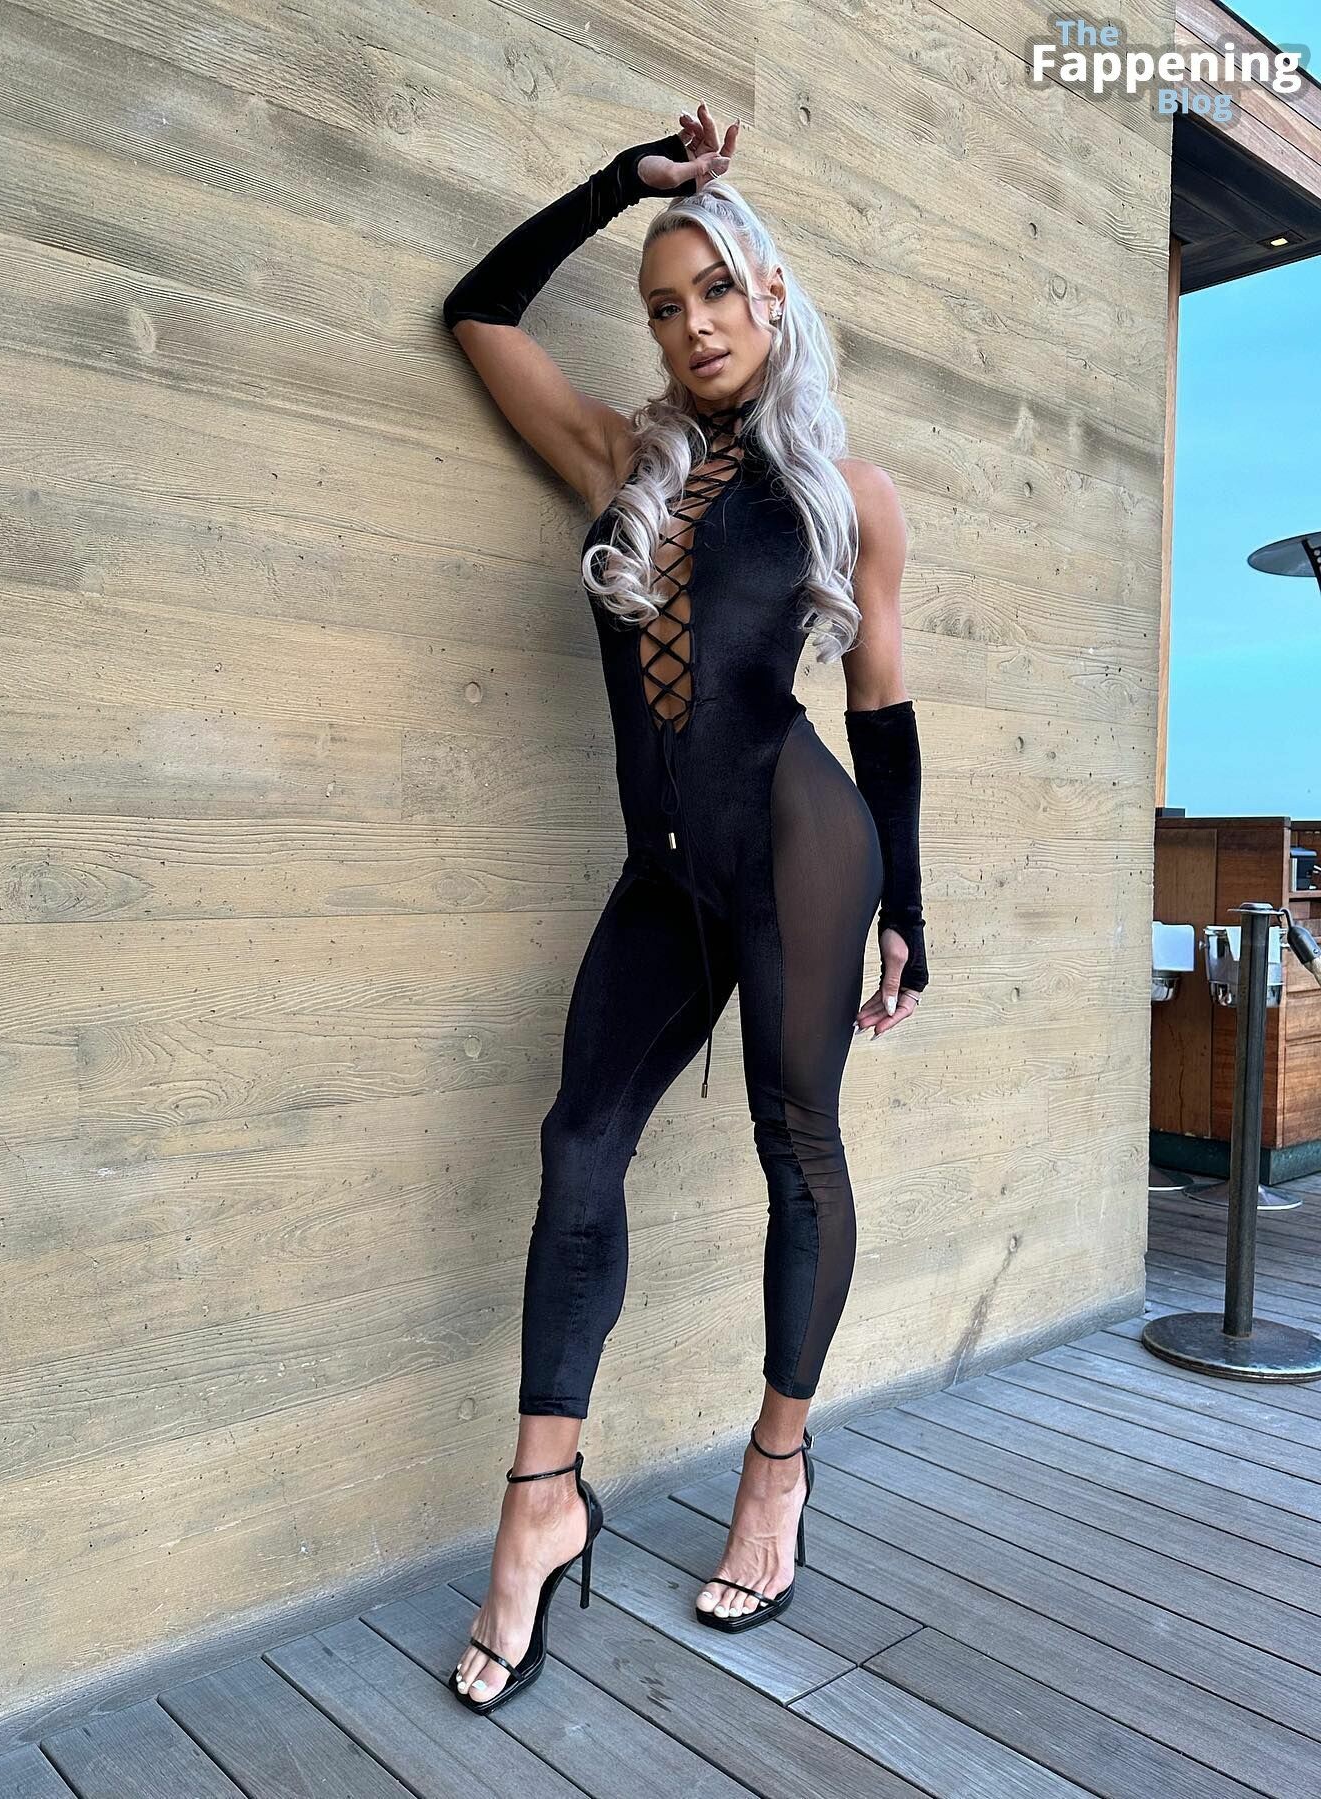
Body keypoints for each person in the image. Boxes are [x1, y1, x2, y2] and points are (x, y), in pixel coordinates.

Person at [440, 103, 929, 1712]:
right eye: (663, 306)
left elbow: (880, 717)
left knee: (800, 1144)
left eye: (716, 290)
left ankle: (778, 1470)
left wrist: (909, 908)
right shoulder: (619, 463)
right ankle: (541, 1504)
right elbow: (479, 312)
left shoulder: (847, 491)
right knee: (578, 1144)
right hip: (663, 870)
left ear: (770, 295)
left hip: (801, 846)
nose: (693, 325)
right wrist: (622, 183)